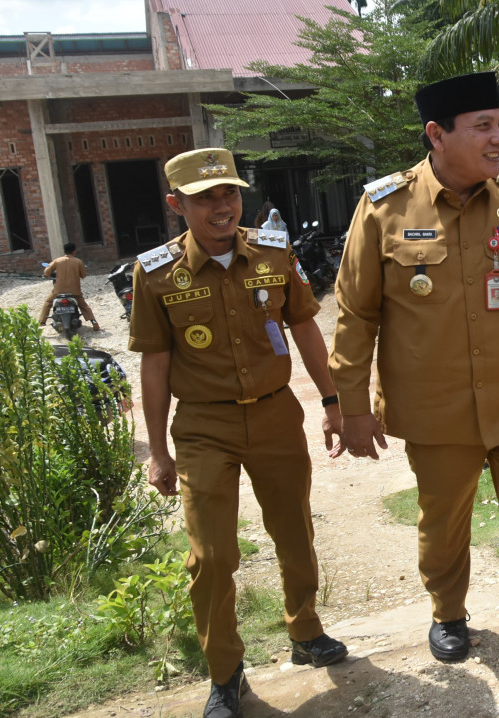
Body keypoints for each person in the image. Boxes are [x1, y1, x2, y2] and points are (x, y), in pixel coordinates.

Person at [329, 71, 499, 715]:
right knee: (443, 524)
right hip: (435, 412)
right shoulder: (383, 208)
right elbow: (355, 314)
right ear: (438, 134)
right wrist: (350, 407)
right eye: (482, 126)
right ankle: (447, 609)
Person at [129, 148, 347, 718]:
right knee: (211, 555)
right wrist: (158, 451)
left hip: (276, 417)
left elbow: (304, 328)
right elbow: (153, 364)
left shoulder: (275, 253)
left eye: (229, 193)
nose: (221, 207)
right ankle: (225, 675)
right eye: (205, 198)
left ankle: (305, 630)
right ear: (177, 205)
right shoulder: (155, 273)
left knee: (294, 531)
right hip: (204, 426)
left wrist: (332, 402)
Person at [38, 242, 100, 330]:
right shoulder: (78, 261)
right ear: (74, 251)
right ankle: (94, 322)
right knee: (83, 305)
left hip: (58, 290)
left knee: (48, 302)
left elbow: (46, 272)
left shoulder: (57, 261)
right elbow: (83, 275)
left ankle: (41, 321)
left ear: (64, 251)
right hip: (74, 291)